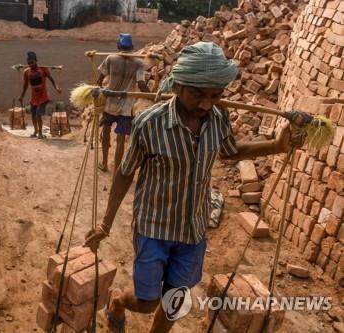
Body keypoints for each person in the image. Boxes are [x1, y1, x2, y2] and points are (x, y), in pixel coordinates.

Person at [84, 42, 302, 333]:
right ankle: (118, 302)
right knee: (148, 303)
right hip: (153, 229)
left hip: (193, 231)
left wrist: (276, 146)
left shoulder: (217, 118)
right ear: (178, 85)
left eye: (216, 95)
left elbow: (229, 151)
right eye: (198, 94)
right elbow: (124, 173)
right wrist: (105, 223)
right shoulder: (150, 124)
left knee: (173, 302)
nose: (206, 104)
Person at [97, 33, 149, 178]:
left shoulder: (111, 58)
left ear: (118, 46)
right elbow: (141, 84)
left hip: (109, 103)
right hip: (127, 106)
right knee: (121, 139)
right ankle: (115, 173)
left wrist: (98, 93)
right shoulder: (138, 62)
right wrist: (153, 96)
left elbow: (100, 79)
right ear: (132, 47)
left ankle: (105, 163)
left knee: (106, 131)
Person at [19, 51, 61, 139]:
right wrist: (21, 96)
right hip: (34, 98)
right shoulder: (26, 72)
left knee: (38, 114)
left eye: (32, 62)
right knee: (33, 115)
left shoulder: (43, 70)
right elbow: (25, 85)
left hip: (43, 97)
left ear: (36, 60)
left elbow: (51, 80)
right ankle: (35, 131)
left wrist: (57, 88)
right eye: (29, 62)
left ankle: (41, 133)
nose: (30, 64)